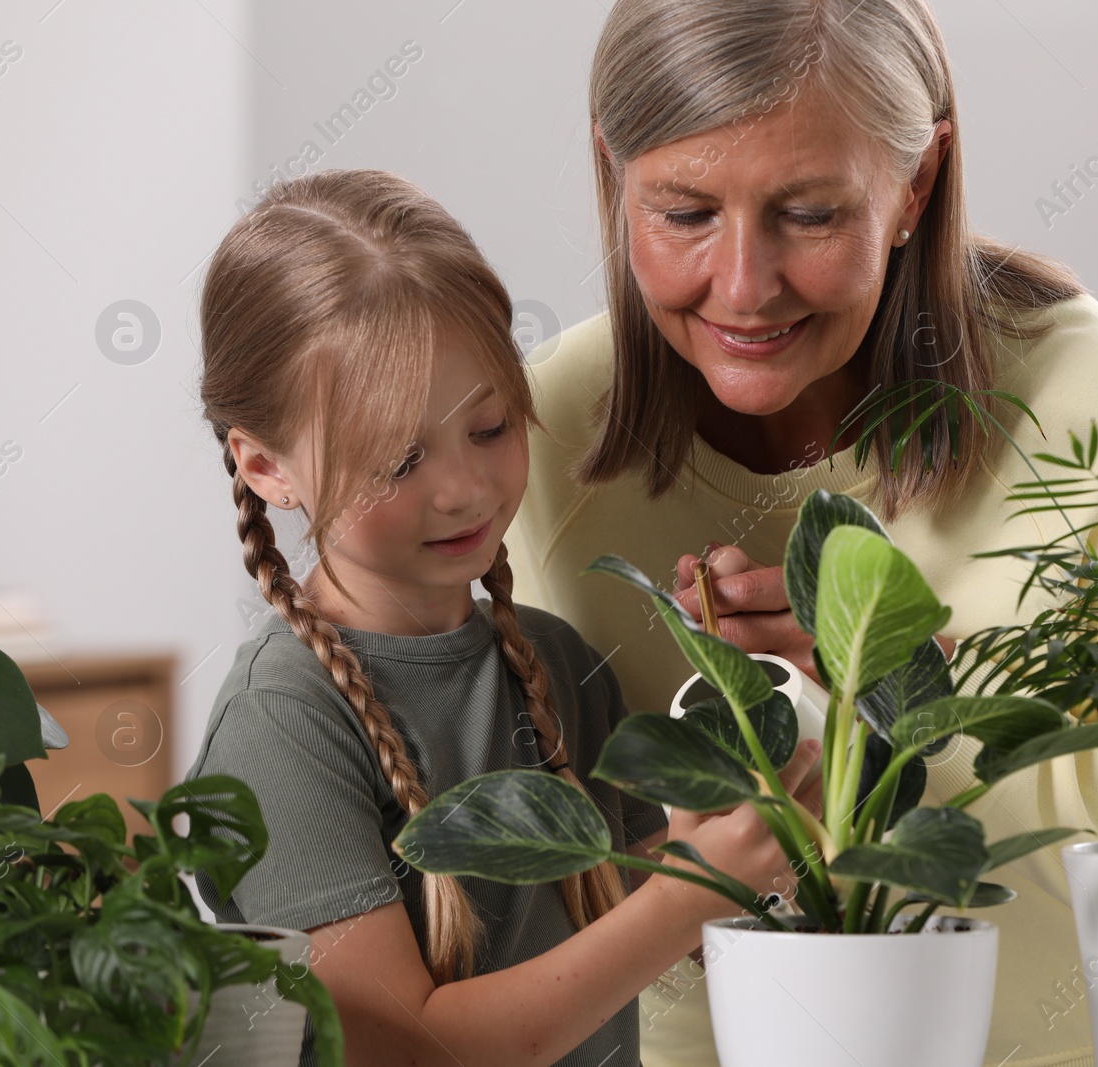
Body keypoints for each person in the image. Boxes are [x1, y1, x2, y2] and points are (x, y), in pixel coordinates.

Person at [500, 1, 1098, 1064]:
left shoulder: (1079, 388)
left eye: (807, 214)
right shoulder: (535, 436)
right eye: (682, 214)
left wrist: (916, 689)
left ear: (915, 184)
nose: (743, 284)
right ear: (611, 169)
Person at [184, 169, 824, 1067]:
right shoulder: (283, 720)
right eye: (396, 459)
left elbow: (645, 929)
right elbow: (401, 1051)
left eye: (489, 427)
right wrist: (687, 892)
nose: (464, 487)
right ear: (265, 467)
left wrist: (775, 746)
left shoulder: (554, 662)